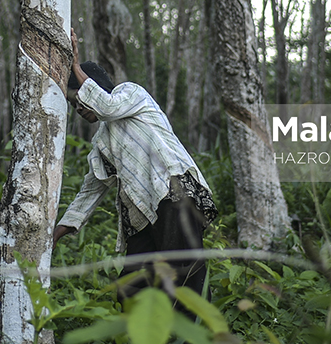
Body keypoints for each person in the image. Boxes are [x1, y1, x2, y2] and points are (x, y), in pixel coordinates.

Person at [52, 29, 217, 297]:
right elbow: (91, 190)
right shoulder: (102, 143)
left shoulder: (131, 94)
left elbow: (106, 106)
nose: (79, 108)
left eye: (80, 99)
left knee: (186, 284)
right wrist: (59, 231)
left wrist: (74, 66)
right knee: (130, 290)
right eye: (74, 104)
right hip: (144, 218)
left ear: (95, 87)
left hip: (174, 196)